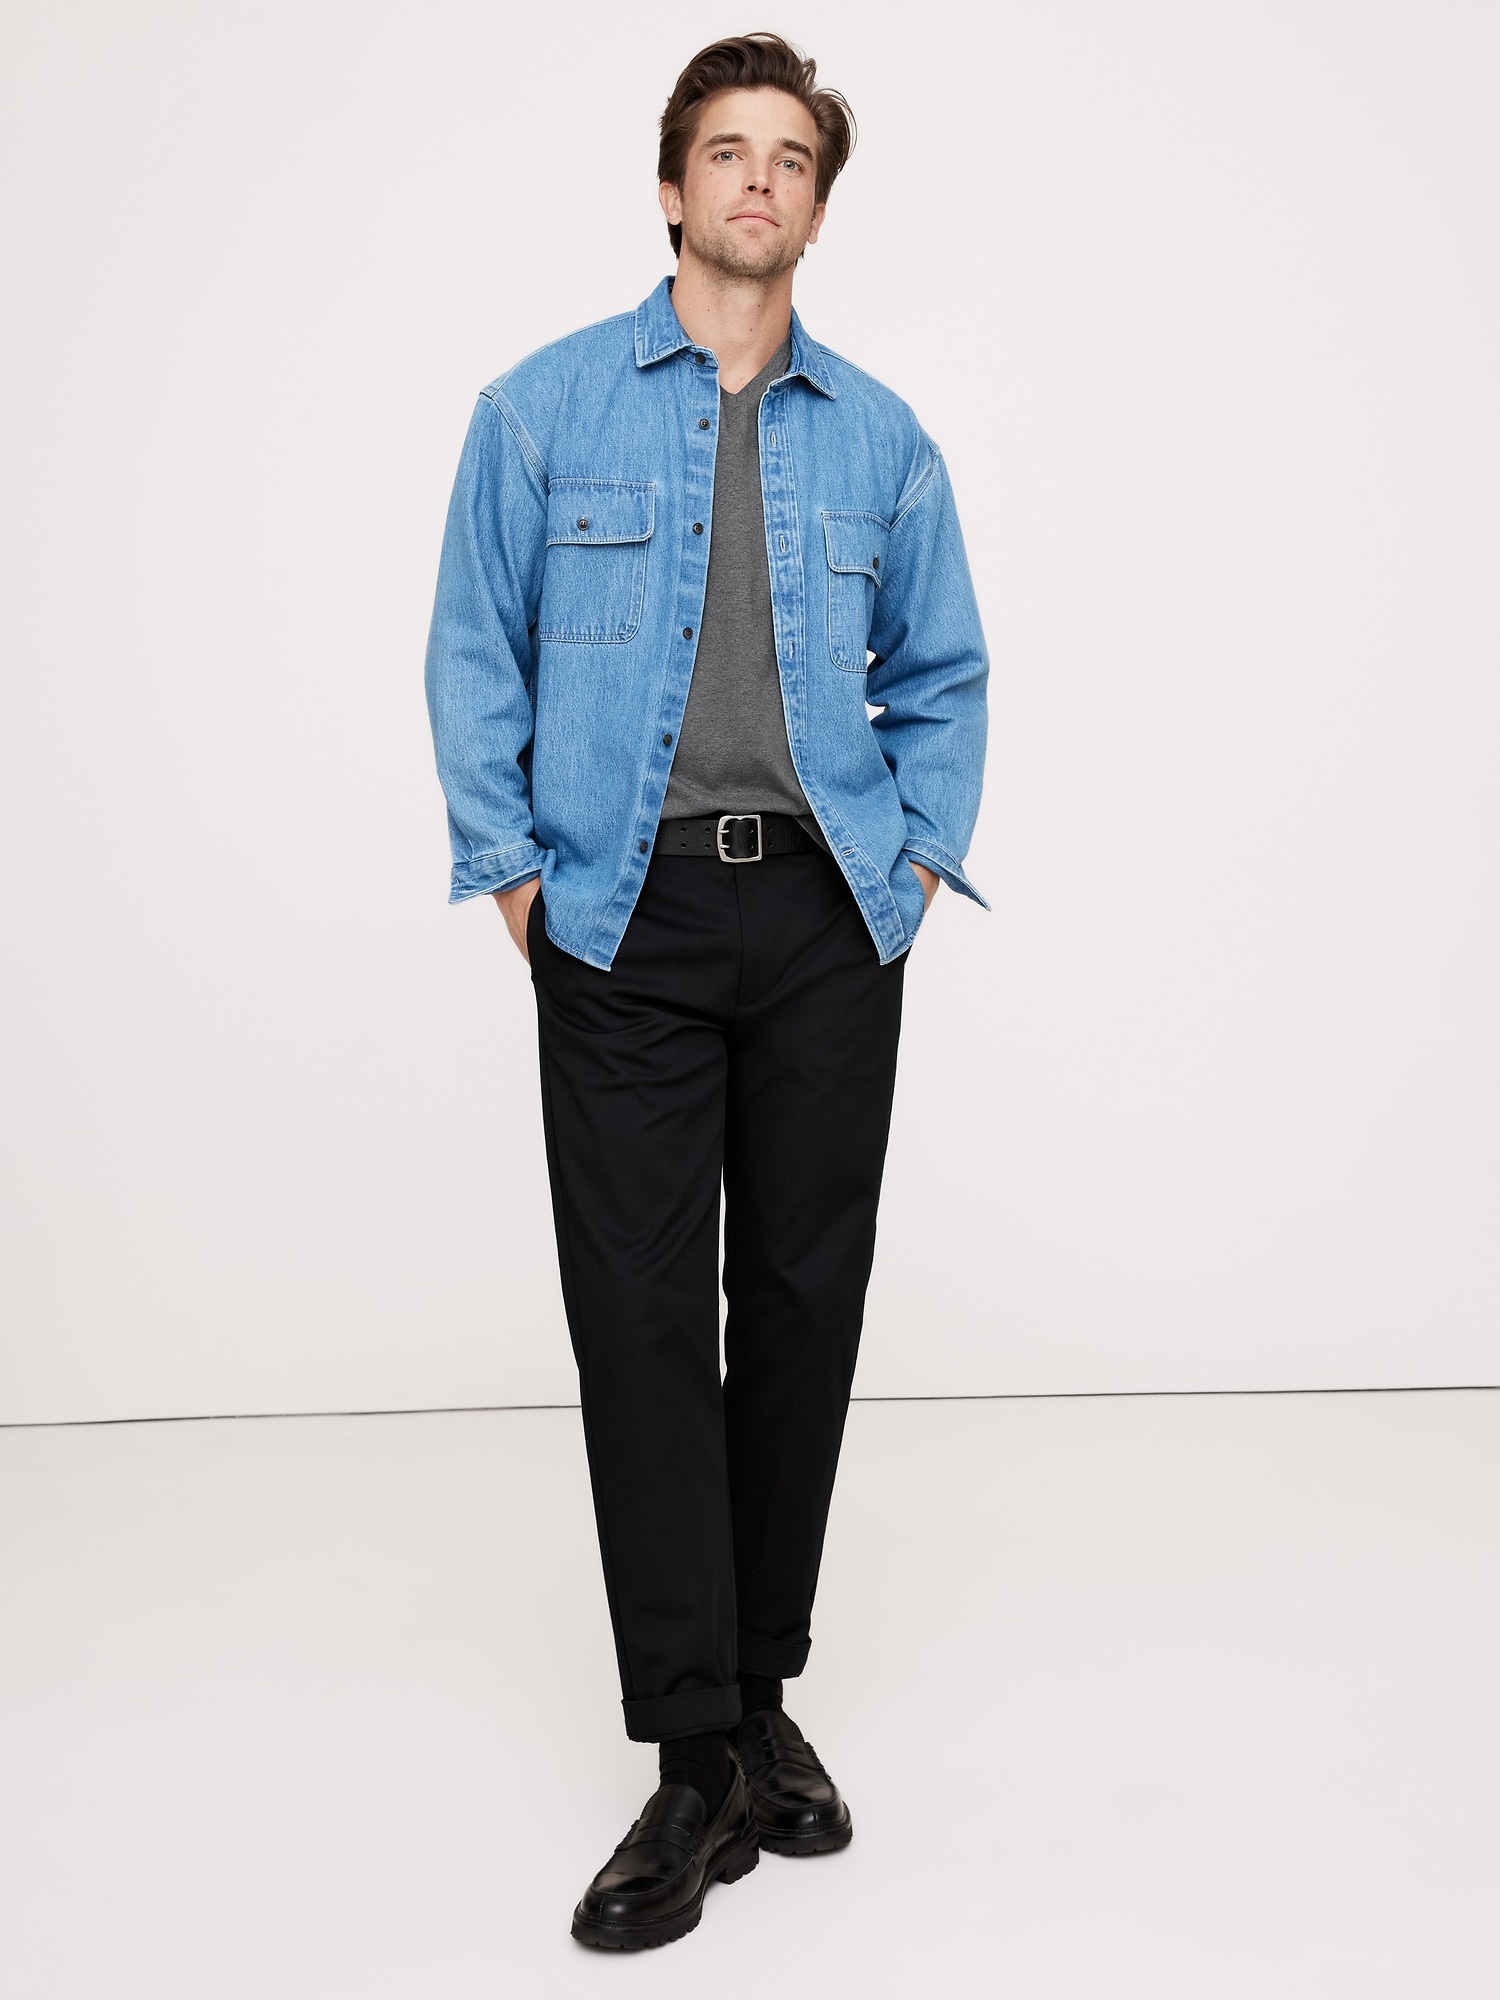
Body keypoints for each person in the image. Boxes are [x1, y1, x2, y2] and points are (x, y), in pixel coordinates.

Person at [425, 31, 988, 1951]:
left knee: (806, 1309)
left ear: (818, 206)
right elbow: (473, 652)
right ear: (672, 190)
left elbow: (946, 672)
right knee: (646, 1322)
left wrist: (911, 863)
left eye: (791, 157)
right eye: (728, 152)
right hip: (623, 919)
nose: (758, 179)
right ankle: (688, 1756)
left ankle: (760, 1698)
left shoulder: (886, 439)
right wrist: (515, 872)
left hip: (826, 915)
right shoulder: (539, 412)